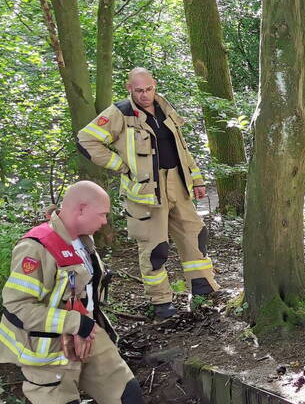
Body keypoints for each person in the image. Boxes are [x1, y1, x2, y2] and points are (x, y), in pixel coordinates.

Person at [0, 182, 167, 404]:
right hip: (45, 353)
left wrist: (86, 327)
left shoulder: (84, 243)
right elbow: (17, 307)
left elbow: (85, 292)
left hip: (89, 337)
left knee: (128, 399)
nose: (106, 221)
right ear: (79, 209)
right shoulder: (37, 248)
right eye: (102, 214)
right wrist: (74, 323)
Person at [76, 67, 218, 320]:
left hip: (178, 181)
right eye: (139, 90)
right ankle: (161, 301)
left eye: (149, 88)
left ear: (155, 85)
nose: (145, 94)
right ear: (129, 88)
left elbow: (182, 147)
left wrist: (196, 179)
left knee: (195, 235)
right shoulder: (119, 112)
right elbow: (86, 139)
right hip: (145, 191)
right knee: (155, 249)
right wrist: (119, 165)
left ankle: (202, 288)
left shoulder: (164, 107)